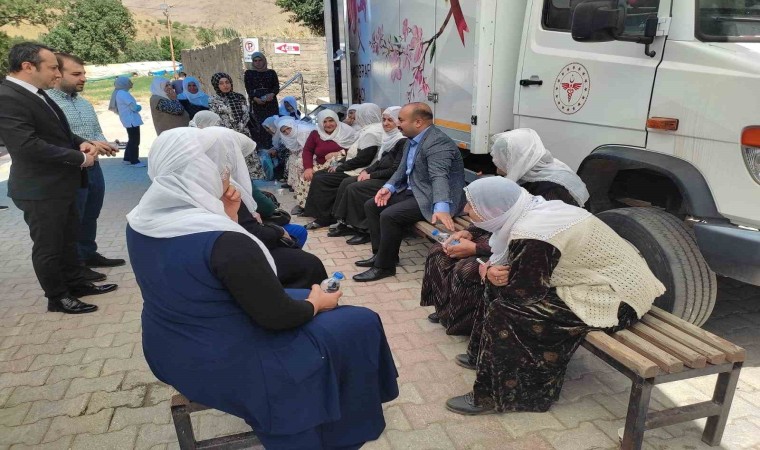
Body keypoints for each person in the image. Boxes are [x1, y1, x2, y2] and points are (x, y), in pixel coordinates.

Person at [126, 127, 399, 448]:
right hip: (222, 358)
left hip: (169, 347)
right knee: (360, 321)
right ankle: (339, 421)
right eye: (220, 169)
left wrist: (227, 216)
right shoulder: (224, 241)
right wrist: (316, 304)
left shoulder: (141, 220)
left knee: (336, 312)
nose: (226, 175)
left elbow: (203, 276)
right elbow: (277, 317)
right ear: (201, 172)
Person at [444, 177, 665, 415]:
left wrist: (488, 273)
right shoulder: (531, 209)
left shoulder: (533, 232)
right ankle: (481, 355)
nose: (465, 209)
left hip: (617, 298)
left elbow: (523, 295)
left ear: (494, 210)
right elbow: (518, 274)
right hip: (602, 281)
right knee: (495, 288)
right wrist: (491, 273)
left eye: (472, 205)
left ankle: (498, 396)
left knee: (506, 312)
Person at [421, 128, 589, 335]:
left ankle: (466, 323)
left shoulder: (554, 187)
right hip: (507, 230)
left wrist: (476, 248)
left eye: (501, 157)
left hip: (538, 248)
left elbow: (538, 238)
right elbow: (492, 207)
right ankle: (446, 309)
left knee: (467, 268)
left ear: (516, 157)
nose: (495, 162)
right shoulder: (520, 172)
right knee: (439, 251)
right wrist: (471, 232)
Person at [0, 42, 118, 314]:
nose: (57, 73)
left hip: (61, 185)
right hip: (40, 189)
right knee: (49, 247)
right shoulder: (7, 97)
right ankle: (58, 297)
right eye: (53, 67)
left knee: (68, 239)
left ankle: (77, 284)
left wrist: (81, 142)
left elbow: (57, 131)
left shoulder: (37, 93)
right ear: (28, 66)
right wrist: (79, 158)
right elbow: (26, 145)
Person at [202, 126, 327, 288]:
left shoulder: (201, 181)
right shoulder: (226, 184)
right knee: (307, 260)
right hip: (238, 254)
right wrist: (278, 231)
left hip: (233, 246)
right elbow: (254, 225)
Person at [354, 103, 466, 282]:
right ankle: (381, 255)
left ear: (418, 122)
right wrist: (388, 188)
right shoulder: (411, 140)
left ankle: (384, 267)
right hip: (416, 192)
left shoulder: (437, 142)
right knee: (372, 205)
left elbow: (439, 176)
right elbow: (401, 169)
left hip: (432, 197)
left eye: (401, 120)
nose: (398, 124)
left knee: (390, 215)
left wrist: (442, 207)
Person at [47, 52, 126, 271]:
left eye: (83, 73)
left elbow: (96, 132)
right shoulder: (47, 105)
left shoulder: (84, 104)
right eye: (76, 74)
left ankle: (88, 254)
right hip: (69, 170)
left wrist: (104, 144)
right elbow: (55, 140)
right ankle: (76, 264)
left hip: (93, 167)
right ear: (58, 73)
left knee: (91, 213)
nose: (83, 78)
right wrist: (90, 144)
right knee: (74, 218)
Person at [329, 106, 406, 245]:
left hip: (392, 180)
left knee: (356, 188)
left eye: (390, 120)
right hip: (381, 175)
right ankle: (345, 223)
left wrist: (371, 176)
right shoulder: (388, 138)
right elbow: (380, 161)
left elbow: (395, 169)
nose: (385, 123)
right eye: (384, 119)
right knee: (347, 182)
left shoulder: (401, 140)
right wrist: (367, 171)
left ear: (398, 122)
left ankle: (364, 230)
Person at [302, 103, 383, 229]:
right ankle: (322, 214)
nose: (355, 117)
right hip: (355, 166)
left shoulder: (370, 133)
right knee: (319, 175)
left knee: (322, 179)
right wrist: (340, 163)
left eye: (358, 115)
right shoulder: (369, 130)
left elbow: (364, 159)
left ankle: (326, 217)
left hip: (361, 170)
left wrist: (340, 167)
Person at [293, 110, 358, 214]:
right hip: (321, 164)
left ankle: (319, 208)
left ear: (336, 120)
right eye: (324, 121)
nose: (328, 124)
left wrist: (338, 153)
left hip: (340, 165)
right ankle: (304, 205)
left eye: (331, 120)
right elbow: (308, 150)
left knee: (318, 178)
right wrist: (308, 168)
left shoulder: (347, 132)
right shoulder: (316, 133)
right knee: (306, 176)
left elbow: (356, 149)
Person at [209, 72, 265, 180]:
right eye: (221, 83)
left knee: (247, 158)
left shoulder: (239, 97)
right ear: (216, 85)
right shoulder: (213, 100)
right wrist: (231, 131)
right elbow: (215, 118)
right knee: (232, 161)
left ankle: (251, 184)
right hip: (227, 135)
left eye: (227, 82)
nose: (225, 85)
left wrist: (239, 128)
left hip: (243, 133)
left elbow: (245, 114)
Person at [244, 52, 279, 148]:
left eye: (260, 60)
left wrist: (272, 94)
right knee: (260, 125)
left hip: (271, 103)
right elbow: (248, 88)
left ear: (264, 61)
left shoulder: (271, 72)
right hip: (257, 103)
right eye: (255, 61)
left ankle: (275, 146)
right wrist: (255, 99)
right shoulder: (249, 73)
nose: (258, 63)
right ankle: (263, 148)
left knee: (273, 123)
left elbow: (276, 87)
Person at [110, 76, 145, 167]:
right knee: (135, 141)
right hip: (131, 120)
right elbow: (134, 107)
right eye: (129, 81)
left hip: (128, 119)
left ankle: (127, 159)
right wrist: (139, 107)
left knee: (131, 139)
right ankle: (134, 161)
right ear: (123, 83)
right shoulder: (123, 93)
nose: (131, 83)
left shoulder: (119, 93)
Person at [276, 116, 316, 194]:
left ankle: (300, 185)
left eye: (288, 128)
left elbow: (309, 147)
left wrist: (301, 154)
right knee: (291, 158)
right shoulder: (285, 136)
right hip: (302, 150)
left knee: (299, 161)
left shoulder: (303, 131)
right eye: (284, 131)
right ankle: (292, 183)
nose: (287, 132)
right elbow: (293, 148)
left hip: (313, 151)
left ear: (292, 125)